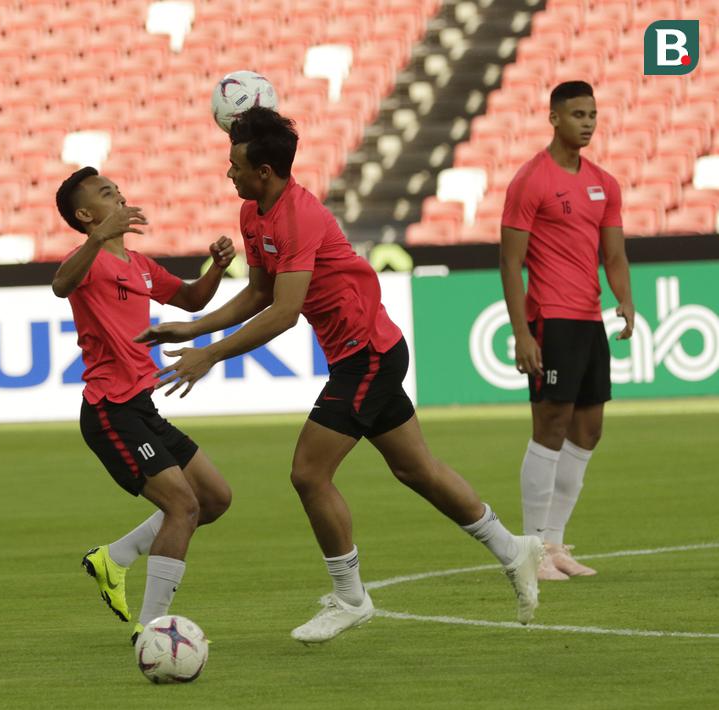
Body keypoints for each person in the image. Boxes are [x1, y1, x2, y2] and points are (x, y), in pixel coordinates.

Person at [136, 107, 542, 643]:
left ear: (265, 171)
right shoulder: (254, 212)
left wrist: (210, 356)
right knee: (416, 469)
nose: (227, 172)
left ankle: (350, 596)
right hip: (361, 351)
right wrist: (193, 330)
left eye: (235, 164)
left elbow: (283, 312)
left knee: (308, 472)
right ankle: (514, 550)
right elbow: (260, 292)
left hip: (367, 352)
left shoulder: (297, 216)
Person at [53, 167, 234, 642]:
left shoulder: (140, 266)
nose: (119, 195)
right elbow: (60, 284)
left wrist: (217, 265)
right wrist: (96, 241)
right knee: (183, 507)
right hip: (109, 411)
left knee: (215, 498)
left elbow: (193, 297)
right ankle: (153, 631)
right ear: (86, 215)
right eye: (105, 193)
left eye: (117, 189)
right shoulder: (87, 260)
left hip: (141, 409)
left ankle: (113, 558)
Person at [500, 81, 633, 581]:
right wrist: (522, 333)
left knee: (589, 429)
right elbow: (510, 264)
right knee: (551, 425)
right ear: (553, 118)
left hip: (588, 320)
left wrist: (624, 297)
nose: (588, 122)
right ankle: (530, 551)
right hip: (549, 319)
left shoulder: (605, 183)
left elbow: (613, 254)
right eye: (577, 114)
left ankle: (553, 543)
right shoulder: (531, 180)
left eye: (593, 114)